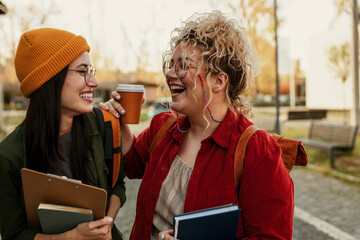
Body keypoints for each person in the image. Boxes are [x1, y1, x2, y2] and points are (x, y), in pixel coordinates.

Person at [101, 11, 294, 240]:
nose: (170, 74)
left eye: (183, 65)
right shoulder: (162, 128)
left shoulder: (258, 152)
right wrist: (121, 121)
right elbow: (131, 164)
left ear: (218, 81)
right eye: (170, 64)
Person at [0, 28, 126, 240]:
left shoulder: (104, 124)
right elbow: (14, 234)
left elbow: (118, 186)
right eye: (82, 71)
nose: (94, 82)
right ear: (50, 79)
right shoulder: (8, 156)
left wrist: (105, 225)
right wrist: (69, 237)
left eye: (91, 70)